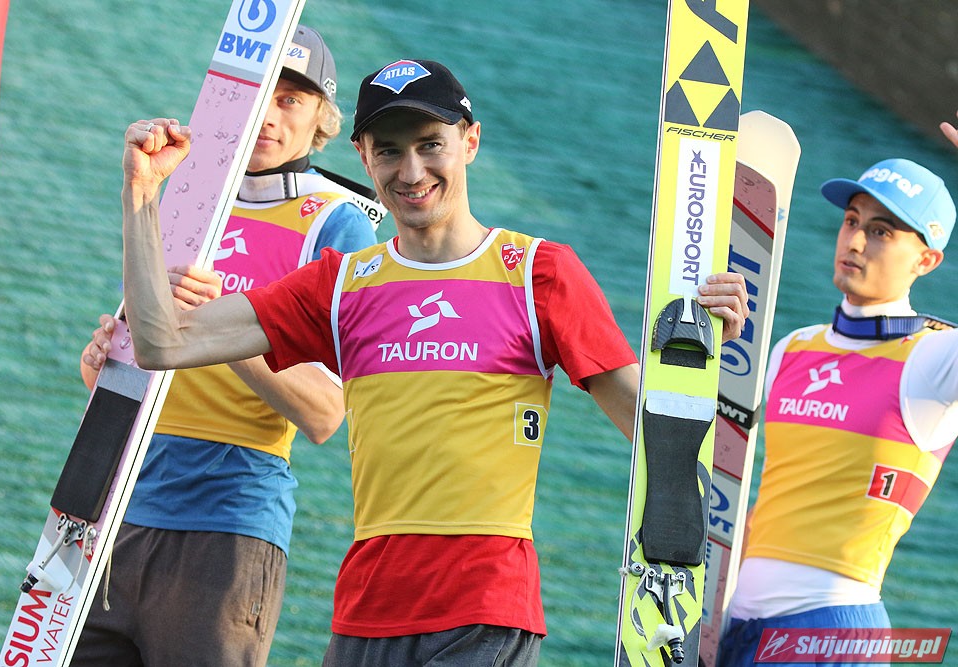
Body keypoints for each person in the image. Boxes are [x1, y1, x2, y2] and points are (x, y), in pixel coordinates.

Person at [116, 59, 749, 666]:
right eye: (389, 150)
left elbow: (652, 426)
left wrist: (699, 353)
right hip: (365, 612)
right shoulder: (340, 284)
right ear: (363, 157)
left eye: (430, 145)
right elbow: (162, 343)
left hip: (483, 611)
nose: (411, 170)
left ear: (470, 142)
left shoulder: (539, 273)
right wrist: (142, 193)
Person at [72, 25, 380, 667]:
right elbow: (142, 362)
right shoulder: (185, 193)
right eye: (260, 94)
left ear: (320, 122)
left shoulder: (340, 222)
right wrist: (103, 361)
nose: (268, 115)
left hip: (226, 525)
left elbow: (325, 412)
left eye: (290, 100)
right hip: (115, 509)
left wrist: (220, 328)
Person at [718, 144, 957, 666]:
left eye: (882, 231)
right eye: (852, 221)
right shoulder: (792, 348)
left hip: (832, 633)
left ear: (926, 260)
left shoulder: (937, 357)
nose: (855, 240)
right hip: (737, 629)